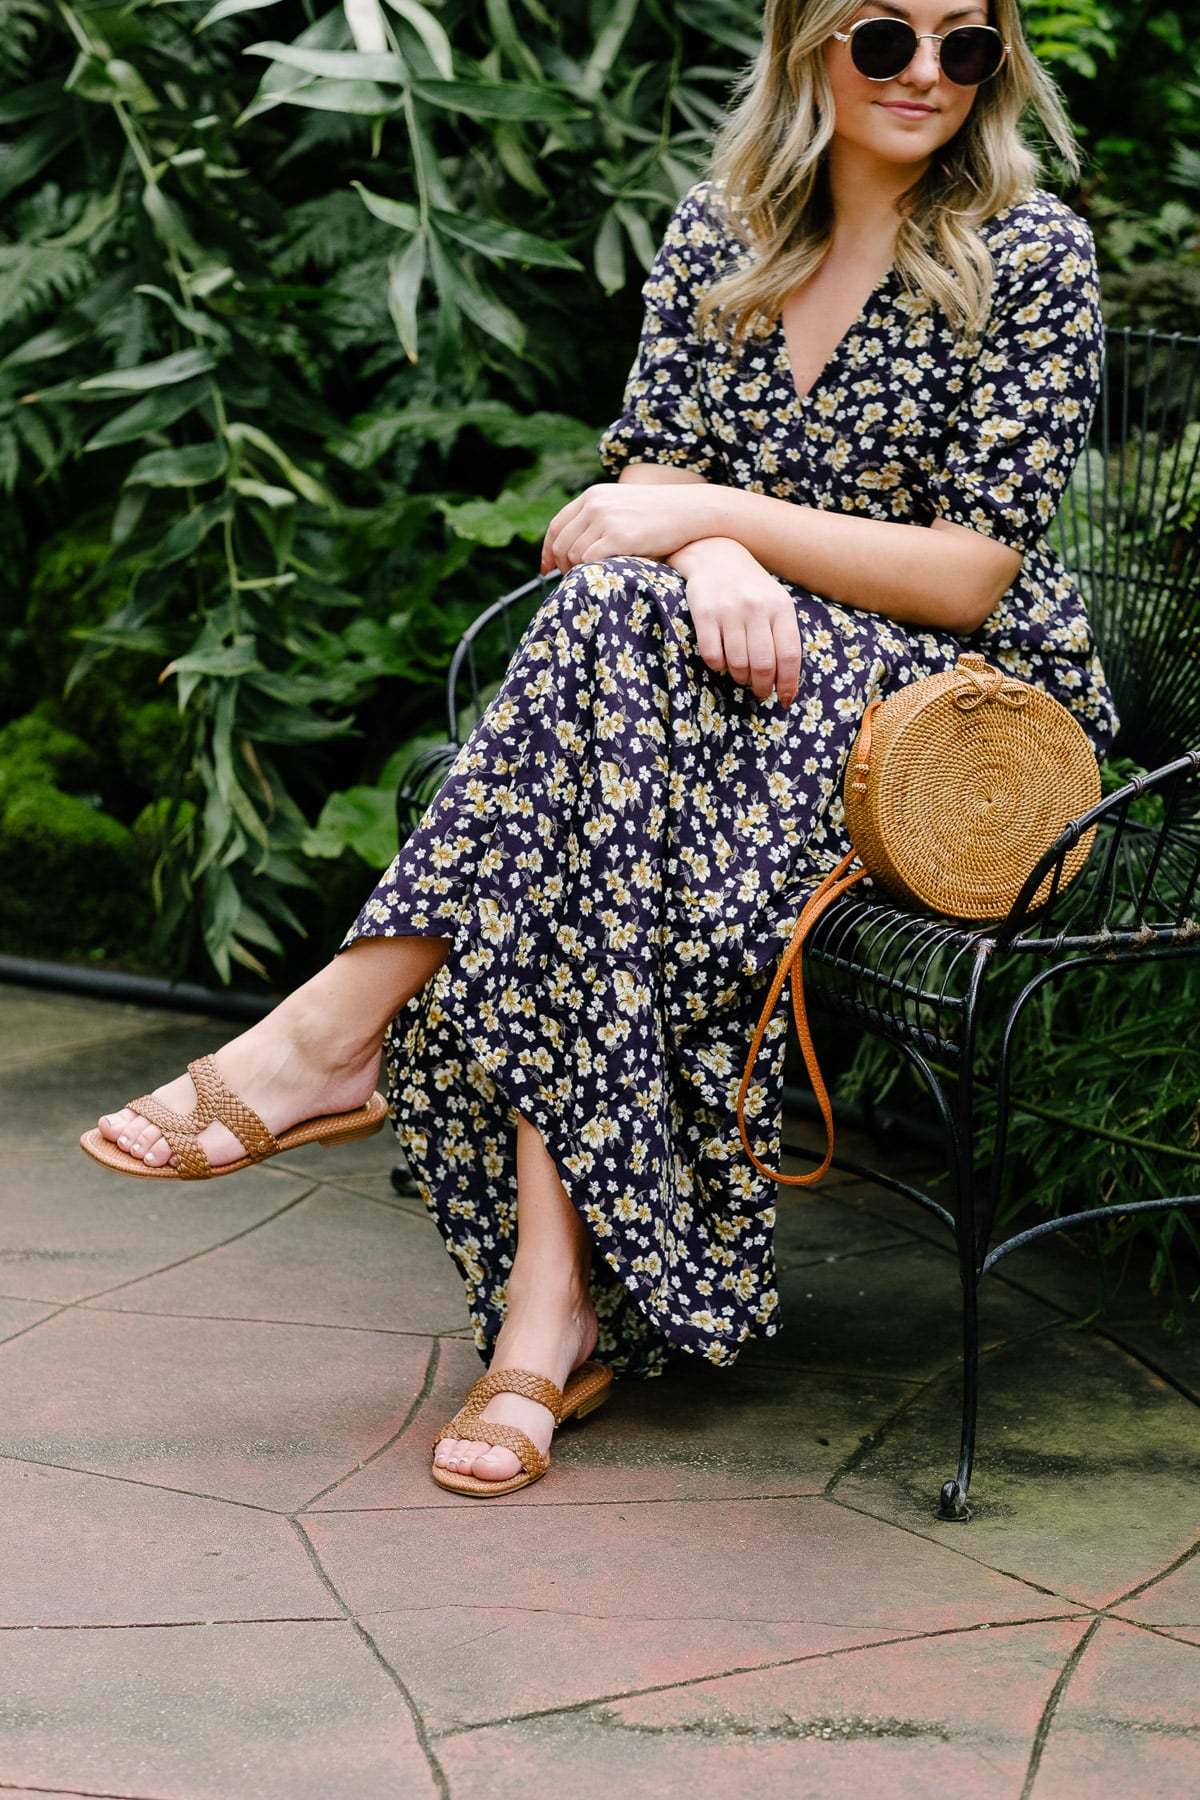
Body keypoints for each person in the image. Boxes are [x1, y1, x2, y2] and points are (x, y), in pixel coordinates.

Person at [81, 0, 1117, 1496]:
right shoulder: (722, 229)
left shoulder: (1030, 251)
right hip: (714, 675)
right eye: (886, 35)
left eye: (968, 46)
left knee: (603, 653)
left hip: (949, 720)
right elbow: (654, 476)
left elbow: (969, 573)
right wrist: (713, 561)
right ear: (809, 40)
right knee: (606, 751)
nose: (925, 76)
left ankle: (344, 1045)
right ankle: (545, 1310)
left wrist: (712, 526)